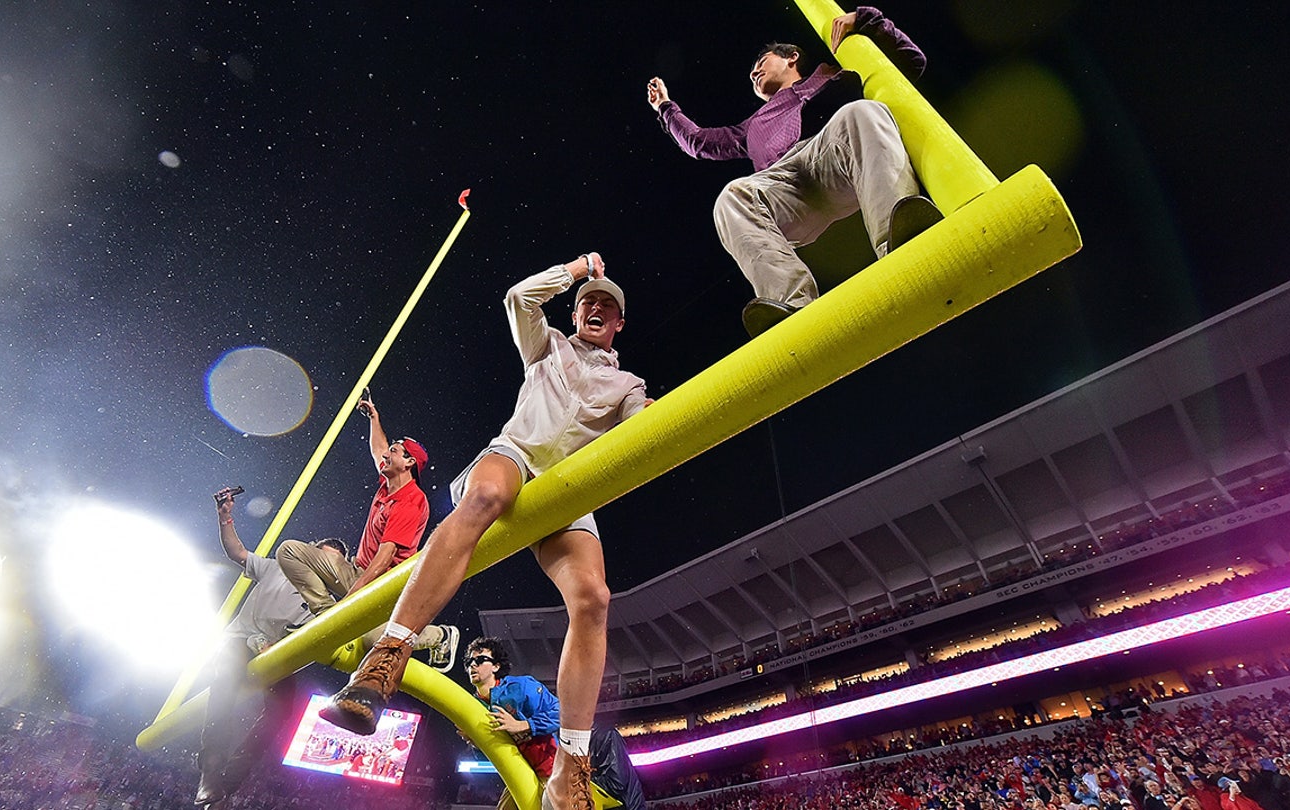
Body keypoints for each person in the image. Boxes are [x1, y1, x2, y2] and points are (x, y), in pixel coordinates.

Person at [318, 252, 649, 810]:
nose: (595, 306)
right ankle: (386, 659)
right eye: (588, 301)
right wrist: (578, 269)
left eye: (607, 305)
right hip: (515, 457)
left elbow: (645, 425)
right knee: (488, 495)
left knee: (593, 598)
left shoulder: (628, 382)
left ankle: (570, 763)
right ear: (575, 314)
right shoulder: (549, 346)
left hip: (569, 486)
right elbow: (520, 297)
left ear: (619, 323)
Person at [645, 6, 941, 337]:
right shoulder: (751, 126)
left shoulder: (833, 73)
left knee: (861, 111)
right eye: (752, 72)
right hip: (788, 187)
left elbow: (911, 62)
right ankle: (791, 303)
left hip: (833, 155)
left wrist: (866, 20)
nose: (754, 73)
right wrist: (666, 109)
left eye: (762, 63)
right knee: (731, 197)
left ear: (791, 58)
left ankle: (900, 238)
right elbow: (700, 142)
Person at [275, 394, 459, 671]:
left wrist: (349, 603)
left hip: (381, 586)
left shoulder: (412, 501)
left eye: (394, 452)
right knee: (288, 550)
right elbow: (378, 449)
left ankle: (440, 635)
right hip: (358, 570)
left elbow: (384, 559)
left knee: (374, 638)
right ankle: (325, 615)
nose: (386, 455)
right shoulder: (388, 483)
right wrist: (374, 417)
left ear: (409, 463)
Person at [194, 486, 317, 808]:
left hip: (275, 654)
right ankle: (210, 767)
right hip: (241, 640)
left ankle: (227, 782)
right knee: (223, 683)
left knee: (284, 712)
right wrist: (225, 518)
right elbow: (237, 552)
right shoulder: (278, 567)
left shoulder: (325, 600)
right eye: (320, 554)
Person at [462, 637, 646, 810]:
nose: (472, 665)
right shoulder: (472, 705)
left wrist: (525, 725)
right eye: (469, 662)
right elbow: (491, 758)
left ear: (496, 666)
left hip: (550, 769)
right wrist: (476, 745)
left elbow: (562, 713)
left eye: (479, 660)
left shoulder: (521, 687)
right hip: (520, 772)